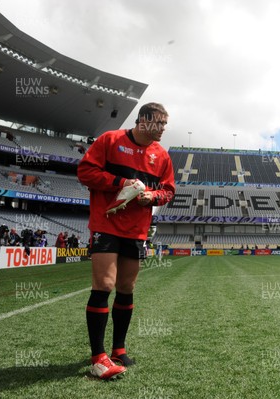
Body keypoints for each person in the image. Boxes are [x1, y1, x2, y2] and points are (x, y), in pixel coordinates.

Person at [77, 102, 175, 380]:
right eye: (159, 123)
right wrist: (121, 183)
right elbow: (85, 172)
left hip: (136, 230)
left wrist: (152, 197)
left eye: (166, 124)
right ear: (143, 121)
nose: (163, 129)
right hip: (106, 225)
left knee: (126, 288)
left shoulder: (162, 156)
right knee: (104, 285)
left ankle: (118, 348)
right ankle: (98, 357)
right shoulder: (110, 140)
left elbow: (168, 191)